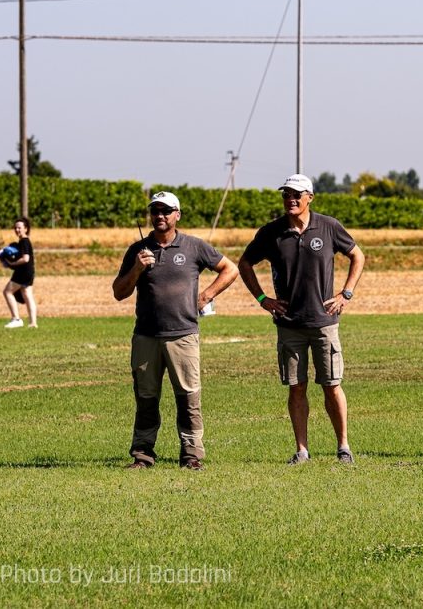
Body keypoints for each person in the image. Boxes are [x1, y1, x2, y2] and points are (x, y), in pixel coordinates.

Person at [238, 174, 366, 466]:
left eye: (297, 195)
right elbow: (244, 263)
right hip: (289, 324)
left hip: (324, 323)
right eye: (286, 195)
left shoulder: (329, 226)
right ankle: (302, 450)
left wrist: (346, 293)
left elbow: (357, 255)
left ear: (310, 197)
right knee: (297, 387)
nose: (291, 200)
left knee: (332, 385)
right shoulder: (272, 232)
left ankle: (343, 447)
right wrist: (262, 299)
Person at [112, 191, 238, 470]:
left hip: (183, 335)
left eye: (166, 211)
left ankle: (191, 454)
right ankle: (143, 455)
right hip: (146, 336)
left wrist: (205, 296)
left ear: (177, 215)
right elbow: (119, 292)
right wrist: (136, 269)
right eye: (155, 211)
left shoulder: (193, 247)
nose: (159, 216)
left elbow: (230, 269)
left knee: (188, 397)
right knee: (146, 398)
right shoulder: (137, 250)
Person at [1, 217, 38, 328]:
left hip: (23, 272)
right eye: (15, 228)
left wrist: (12, 264)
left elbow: (25, 259)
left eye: (20, 228)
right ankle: (33, 323)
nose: (17, 230)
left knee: (7, 292)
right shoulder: (24, 241)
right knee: (27, 295)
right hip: (29, 271)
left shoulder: (24, 241)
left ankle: (16, 319)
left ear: (26, 229)